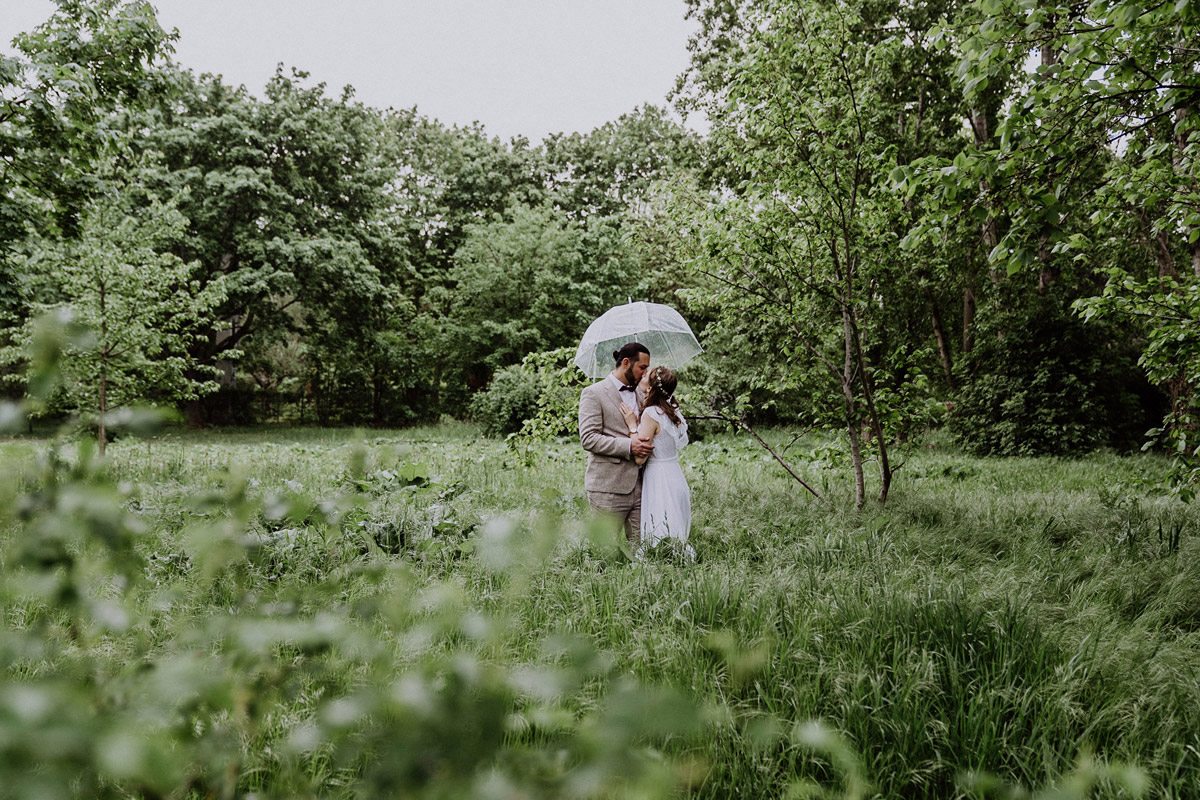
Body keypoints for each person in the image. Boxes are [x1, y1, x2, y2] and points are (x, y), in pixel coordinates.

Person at [578, 342, 654, 546]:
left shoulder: (641, 394)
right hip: (608, 487)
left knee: (642, 548)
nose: (646, 372)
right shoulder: (593, 393)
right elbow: (588, 438)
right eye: (642, 367)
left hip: (643, 485)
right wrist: (629, 446)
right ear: (626, 363)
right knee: (603, 550)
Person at [620, 365, 693, 558]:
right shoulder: (672, 409)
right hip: (675, 475)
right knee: (673, 532)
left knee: (659, 531)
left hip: (659, 479)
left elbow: (639, 457)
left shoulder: (651, 413)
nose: (642, 376)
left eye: (646, 375)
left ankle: (661, 570)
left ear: (651, 388)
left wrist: (632, 426)